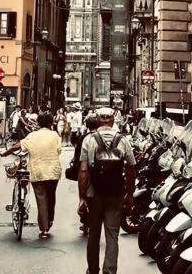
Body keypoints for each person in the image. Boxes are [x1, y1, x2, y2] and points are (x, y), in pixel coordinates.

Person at [78, 107, 136, 274]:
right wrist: (130, 193)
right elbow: (131, 168)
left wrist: (82, 197)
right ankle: (109, 271)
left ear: (97, 120)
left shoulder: (89, 140)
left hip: (93, 193)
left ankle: (93, 270)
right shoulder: (123, 140)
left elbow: (83, 171)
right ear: (112, 120)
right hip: (116, 193)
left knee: (94, 235)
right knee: (112, 236)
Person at [1, 111, 62, 239]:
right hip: (53, 171)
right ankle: (49, 221)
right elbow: (58, 150)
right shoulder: (55, 135)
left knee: (41, 199)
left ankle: (44, 229)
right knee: (51, 197)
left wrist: (6, 153)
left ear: (38, 123)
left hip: (38, 171)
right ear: (51, 123)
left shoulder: (32, 136)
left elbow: (18, 146)